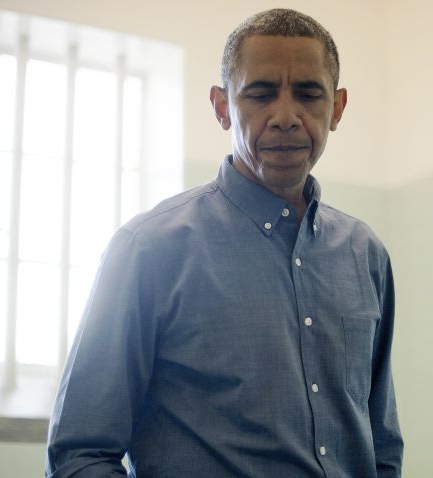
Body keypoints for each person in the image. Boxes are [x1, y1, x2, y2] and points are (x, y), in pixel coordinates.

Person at [46, 8, 403, 477]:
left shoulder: (366, 255)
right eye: (260, 93)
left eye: (308, 94)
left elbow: (381, 446)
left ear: (336, 109)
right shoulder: (149, 250)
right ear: (221, 107)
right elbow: (80, 455)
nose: (285, 117)